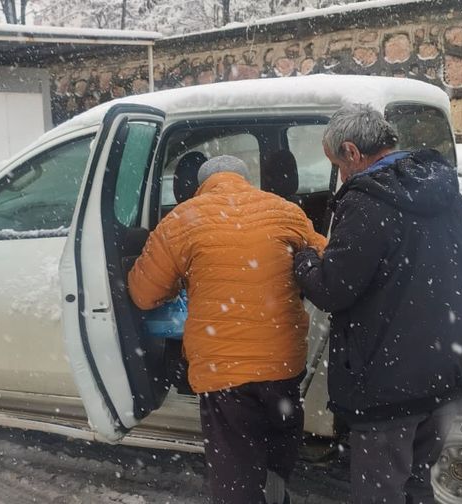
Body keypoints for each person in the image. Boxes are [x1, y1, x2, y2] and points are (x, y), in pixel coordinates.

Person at [293, 103, 462, 504]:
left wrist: (305, 258)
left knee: (380, 493)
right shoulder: (447, 195)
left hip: (388, 388)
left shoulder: (368, 203)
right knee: (418, 484)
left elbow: (331, 290)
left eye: (338, 166)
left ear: (352, 152)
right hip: (446, 373)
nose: (341, 176)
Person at [128, 155, 326, 504]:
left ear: (202, 184)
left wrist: (180, 283)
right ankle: (276, 492)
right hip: (282, 364)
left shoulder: (182, 219)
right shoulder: (286, 211)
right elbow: (327, 265)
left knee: (235, 466)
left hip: (224, 373)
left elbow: (143, 295)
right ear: (245, 179)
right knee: (278, 444)